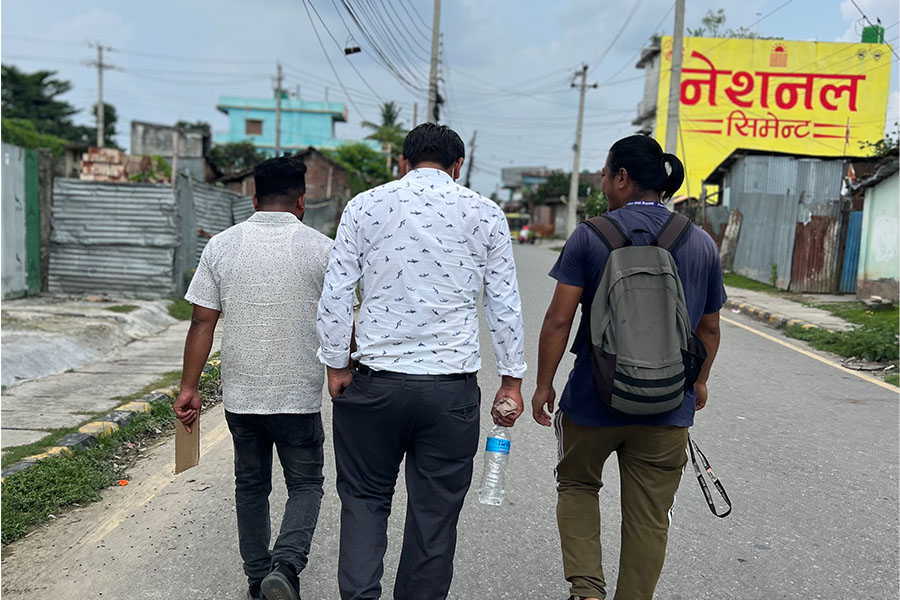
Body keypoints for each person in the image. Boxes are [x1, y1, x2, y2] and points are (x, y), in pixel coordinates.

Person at [316, 123, 527, 600]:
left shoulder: (364, 206)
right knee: (434, 516)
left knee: (364, 503)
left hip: (374, 386)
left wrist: (335, 365)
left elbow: (336, 295)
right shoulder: (486, 214)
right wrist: (511, 380)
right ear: (458, 167)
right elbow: (504, 303)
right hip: (450, 394)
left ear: (402, 163)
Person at [530, 134, 725, 600]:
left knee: (577, 483)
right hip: (667, 406)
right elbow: (710, 330)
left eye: (604, 173)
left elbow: (559, 320)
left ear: (622, 177)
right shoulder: (700, 243)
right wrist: (698, 382)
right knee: (650, 515)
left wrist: (543, 385)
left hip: (594, 400)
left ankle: (587, 590)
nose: (600, 182)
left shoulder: (591, 235)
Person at [174, 155, 332, 600]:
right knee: (305, 483)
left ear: (253, 196)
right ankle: (286, 565)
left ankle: (256, 579)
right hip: (298, 396)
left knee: (251, 485)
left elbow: (201, 323)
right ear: (302, 200)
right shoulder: (322, 248)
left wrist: (189, 389)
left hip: (242, 397)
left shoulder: (222, 246)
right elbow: (341, 324)